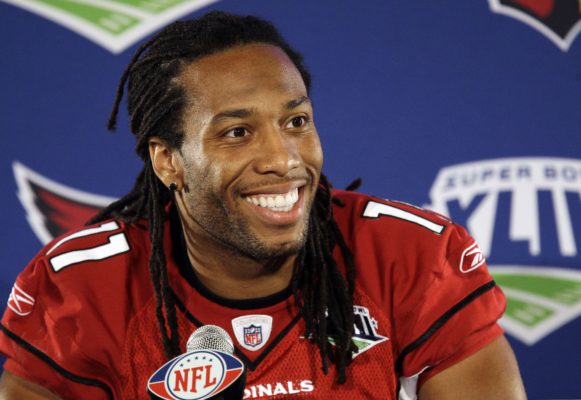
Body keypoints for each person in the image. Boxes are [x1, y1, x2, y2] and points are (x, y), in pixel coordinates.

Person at [0, 11, 526, 400]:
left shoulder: (409, 255)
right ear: (168, 162)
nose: (283, 159)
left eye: (296, 122)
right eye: (236, 132)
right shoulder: (82, 289)